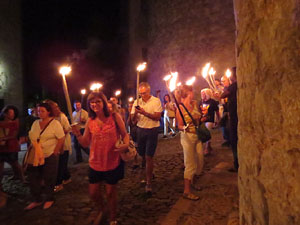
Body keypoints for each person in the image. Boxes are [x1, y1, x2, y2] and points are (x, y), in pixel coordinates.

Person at [72, 91, 129, 225]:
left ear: (103, 102)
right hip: (95, 162)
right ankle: (103, 209)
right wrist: (78, 135)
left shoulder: (114, 117)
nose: (95, 104)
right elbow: (85, 143)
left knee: (110, 192)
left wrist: (125, 144)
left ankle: (113, 217)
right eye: (92, 102)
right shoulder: (90, 122)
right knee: (93, 193)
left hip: (112, 160)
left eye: (98, 101)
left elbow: (124, 134)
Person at [25, 102, 65, 210]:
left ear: (48, 112)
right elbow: (32, 136)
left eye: (42, 111)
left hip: (49, 154)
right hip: (36, 156)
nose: (40, 113)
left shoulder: (55, 123)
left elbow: (61, 138)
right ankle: (37, 199)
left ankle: (49, 198)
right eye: (38, 111)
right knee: (33, 177)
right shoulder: (35, 123)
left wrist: (55, 151)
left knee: (49, 177)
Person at [131, 82, 163, 194]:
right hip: (141, 130)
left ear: (149, 91)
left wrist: (144, 113)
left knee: (149, 156)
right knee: (142, 155)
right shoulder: (137, 102)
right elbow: (133, 121)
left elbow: (157, 117)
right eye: (141, 93)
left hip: (152, 131)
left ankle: (149, 182)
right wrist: (135, 113)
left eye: (144, 93)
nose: (142, 95)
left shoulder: (156, 101)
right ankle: (148, 171)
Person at [176, 85, 204, 201]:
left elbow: (199, 118)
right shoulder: (180, 109)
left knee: (199, 159)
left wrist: (200, 117)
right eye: (192, 92)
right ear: (188, 93)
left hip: (197, 135)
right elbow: (179, 126)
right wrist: (184, 128)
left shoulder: (194, 104)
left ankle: (193, 181)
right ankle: (186, 191)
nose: (193, 94)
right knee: (190, 162)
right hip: (187, 137)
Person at [45, 100, 72, 192]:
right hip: (53, 144)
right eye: (54, 107)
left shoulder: (62, 117)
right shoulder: (49, 118)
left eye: (57, 106)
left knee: (60, 164)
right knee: (61, 164)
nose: (57, 108)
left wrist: (58, 133)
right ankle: (67, 177)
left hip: (63, 143)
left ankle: (58, 183)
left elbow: (68, 128)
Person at [0, 105, 24, 208]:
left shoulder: (15, 122)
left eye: (13, 113)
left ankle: (22, 177)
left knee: (14, 163)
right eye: (10, 113)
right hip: (1, 148)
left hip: (11, 146)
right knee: (0, 166)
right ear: (5, 113)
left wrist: (4, 138)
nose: (12, 115)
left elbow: (14, 134)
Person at [220, 67, 238, 172]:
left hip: (235, 117)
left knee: (234, 140)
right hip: (235, 115)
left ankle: (237, 164)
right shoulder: (235, 85)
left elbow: (222, 95)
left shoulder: (233, 86)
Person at [200, 88, 220, 155]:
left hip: (210, 119)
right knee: (203, 133)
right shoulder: (201, 102)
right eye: (201, 94)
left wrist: (218, 119)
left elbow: (217, 111)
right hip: (202, 120)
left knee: (207, 131)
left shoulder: (212, 102)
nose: (202, 95)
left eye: (203, 93)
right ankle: (208, 145)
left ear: (207, 94)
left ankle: (207, 148)